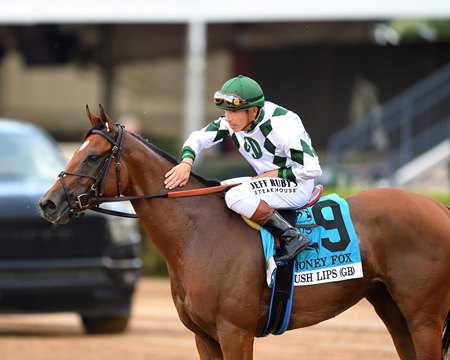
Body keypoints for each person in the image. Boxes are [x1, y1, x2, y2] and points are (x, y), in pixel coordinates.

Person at [164, 75, 322, 262]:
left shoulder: (283, 125)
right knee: (220, 190)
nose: (227, 119)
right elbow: (198, 137)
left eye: (233, 112)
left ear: (253, 111)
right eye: (226, 112)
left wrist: (276, 173)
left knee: (234, 196)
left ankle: (292, 237)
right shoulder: (232, 122)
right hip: (269, 182)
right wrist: (186, 163)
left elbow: (313, 168)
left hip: (297, 185)